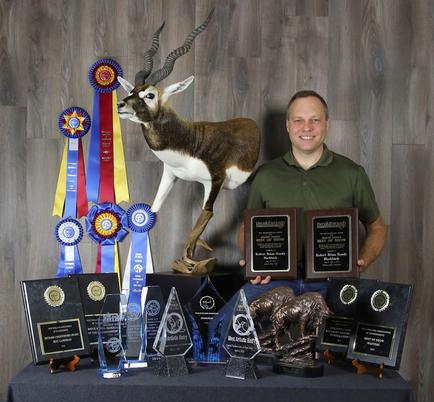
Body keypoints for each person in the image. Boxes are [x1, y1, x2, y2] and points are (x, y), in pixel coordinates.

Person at [207, 90, 386, 354]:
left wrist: (363, 261)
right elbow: (248, 227)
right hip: (276, 279)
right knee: (221, 330)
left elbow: (377, 228)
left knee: (366, 345)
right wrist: (253, 260)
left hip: (332, 280)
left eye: (315, 120)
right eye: (299, 120)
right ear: (288, 126)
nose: (307, 128)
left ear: (327, 124)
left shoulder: (352, 173)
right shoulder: (267, 175)